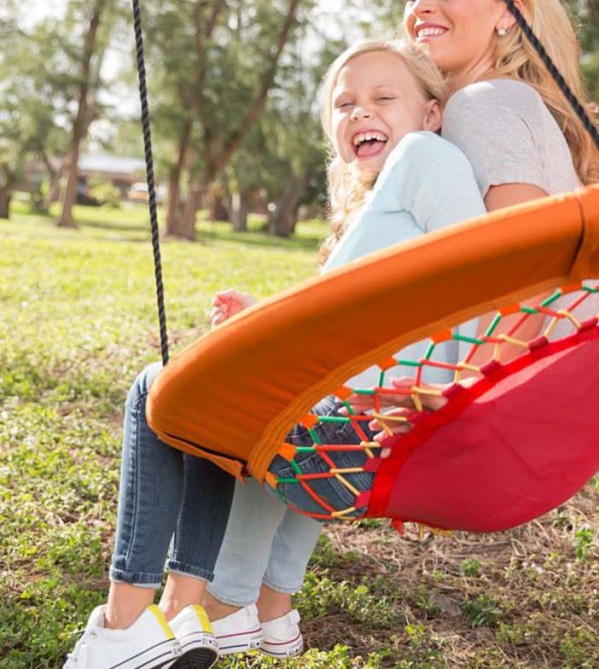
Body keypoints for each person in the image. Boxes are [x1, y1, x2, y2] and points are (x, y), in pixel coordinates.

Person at [200, 0, 599, 659]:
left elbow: (515, 268)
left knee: (286, 389)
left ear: (511, 12)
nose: (421, 5)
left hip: (494, 396)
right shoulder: (501, 111)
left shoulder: (483, 107)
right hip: (523, 399)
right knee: (323, 386)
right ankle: (267, 605)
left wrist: (437, 418)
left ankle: (223, 600)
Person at [63, 39, 485, 668]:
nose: (360, 114)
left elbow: (479, 275)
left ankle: (126, 625)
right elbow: (355, 321)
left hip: (367, 427)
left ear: (429, 113)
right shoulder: (384, 203)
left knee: (157, 389)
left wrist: (431, 401)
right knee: (208, 400)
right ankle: (192, 612)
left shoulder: (426, 156)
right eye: (344, 104)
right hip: (354, 422)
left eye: (382, 98)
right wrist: (263, 318)